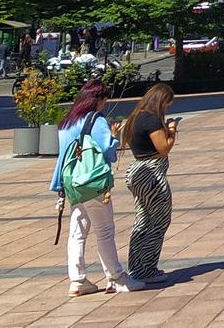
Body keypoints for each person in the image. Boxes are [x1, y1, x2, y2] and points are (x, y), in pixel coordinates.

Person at [50, 81, 143, 296]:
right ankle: (116, 277)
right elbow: (108, 151)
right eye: (104, 99)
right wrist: (114, 135)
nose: (105, 103)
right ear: (97, 99)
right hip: (93, 183)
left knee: (77, 232)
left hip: (71, 183)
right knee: (105, 230)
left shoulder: (67, 121)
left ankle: (77, 279)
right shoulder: (96, 120)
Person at [121, 82, 177, 283]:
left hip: (137, 171)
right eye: (167, 104)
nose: (167, 108)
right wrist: (172, 129)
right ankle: (147, 269)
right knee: (159, 221)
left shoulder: (135, 117)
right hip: (151, 174)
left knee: (143, 220)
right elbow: (163, 147)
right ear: (160, 101)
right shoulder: (151, 120)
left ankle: (136, 268)